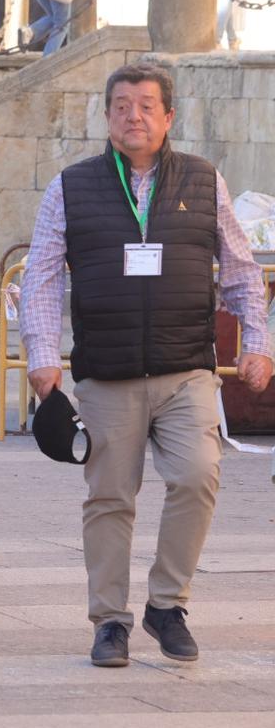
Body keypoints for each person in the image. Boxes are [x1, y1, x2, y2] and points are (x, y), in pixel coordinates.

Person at [20, 63, 272, 668]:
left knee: (198, 476)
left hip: (187, 368)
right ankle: (110, 620)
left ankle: (167, 604)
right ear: (107, 116)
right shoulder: (70, 187)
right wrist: (41, 355)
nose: (134, 116)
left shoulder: (204, 180)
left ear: (168, 117)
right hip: (107, 374)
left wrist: (256, 344)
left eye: (146, 106)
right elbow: (42, 277)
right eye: (122, 106)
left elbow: (239, 269)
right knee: (110, 497)